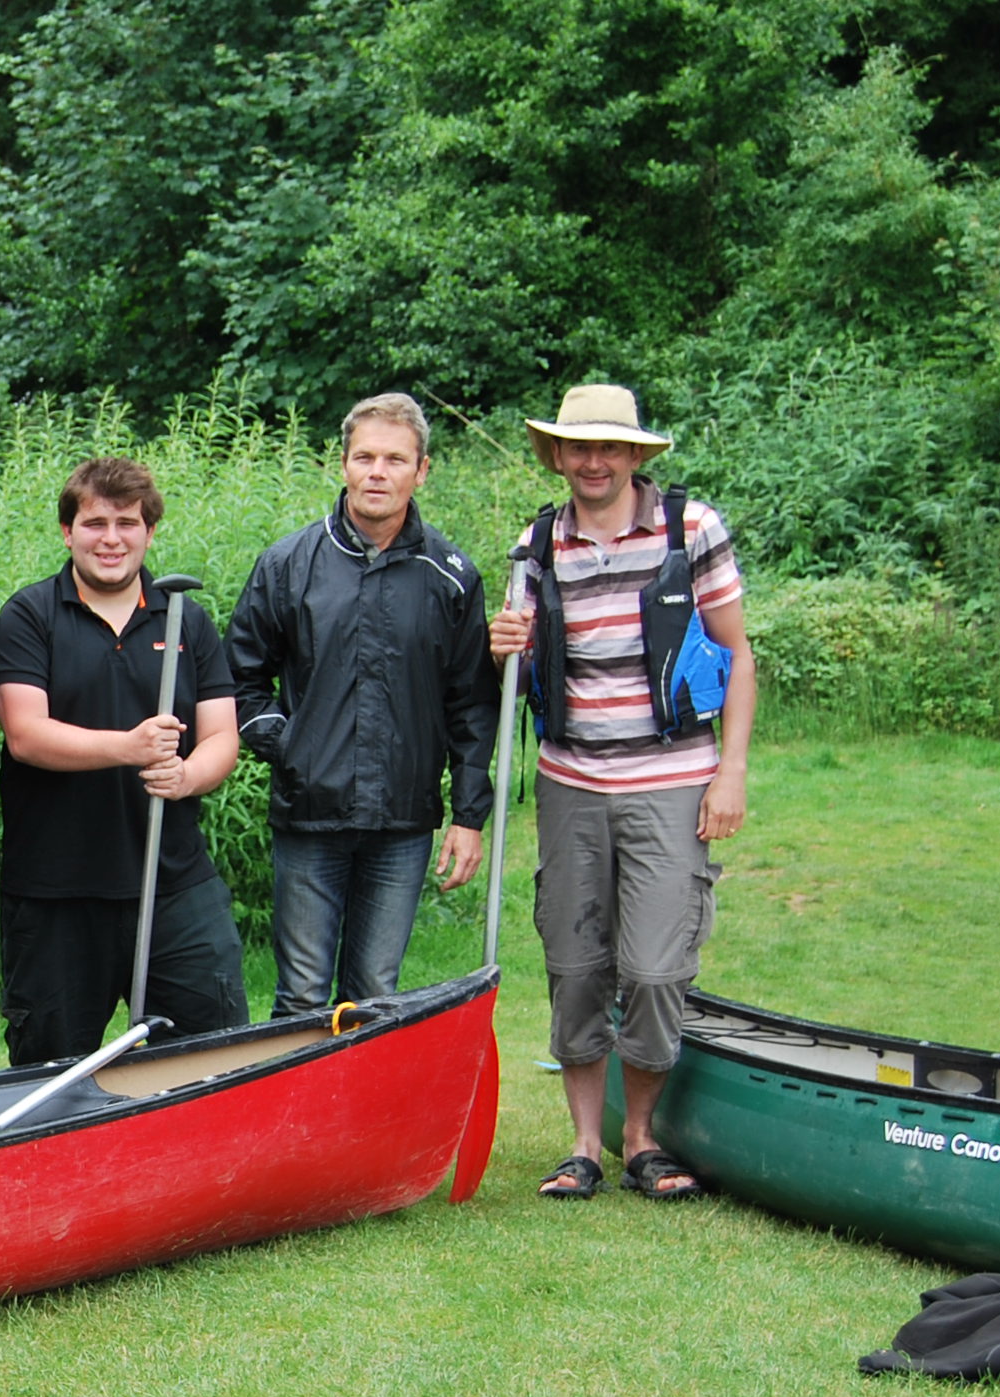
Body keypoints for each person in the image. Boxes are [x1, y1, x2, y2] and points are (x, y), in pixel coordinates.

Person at [489, 383, 755, 1202]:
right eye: (579, 447)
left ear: (635, 455)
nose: (593, 462)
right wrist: (504, 649)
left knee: (653, 966)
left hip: (672, 779)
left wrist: (731, 771)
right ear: (559, 455)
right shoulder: (536, 544)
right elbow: (517, 669)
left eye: (610, 447)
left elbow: (739, 654)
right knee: (574, 965)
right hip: (570, 782)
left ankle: (640, 1137)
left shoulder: (690, 529)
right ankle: (583, 1145)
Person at [226, 392, 498, 1019]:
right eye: (365, 457)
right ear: (343, 464)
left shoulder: (452, 576)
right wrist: (286, 745)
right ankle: (292, 1119)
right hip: (309, 812)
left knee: (375, 991)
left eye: (396, 460)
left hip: (403, 820)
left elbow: (472, 703)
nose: (379, 472)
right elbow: (239, 675)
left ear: (422, 470)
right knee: (300, 994)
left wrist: (470, 815)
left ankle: (356, 1119)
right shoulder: (288, 565)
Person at [0, 455, 247, 1061]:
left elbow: (222, 738)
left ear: (150, 532)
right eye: (95, 523)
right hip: (57, 891)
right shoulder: (29, 617)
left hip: (174, 882)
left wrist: (186, 777)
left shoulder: (187, 619)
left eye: (127, 523)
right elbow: (26, 734)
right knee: (50, 1070)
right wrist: (128, 748)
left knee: (211, 1054)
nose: (112, 539)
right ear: (67, 531)